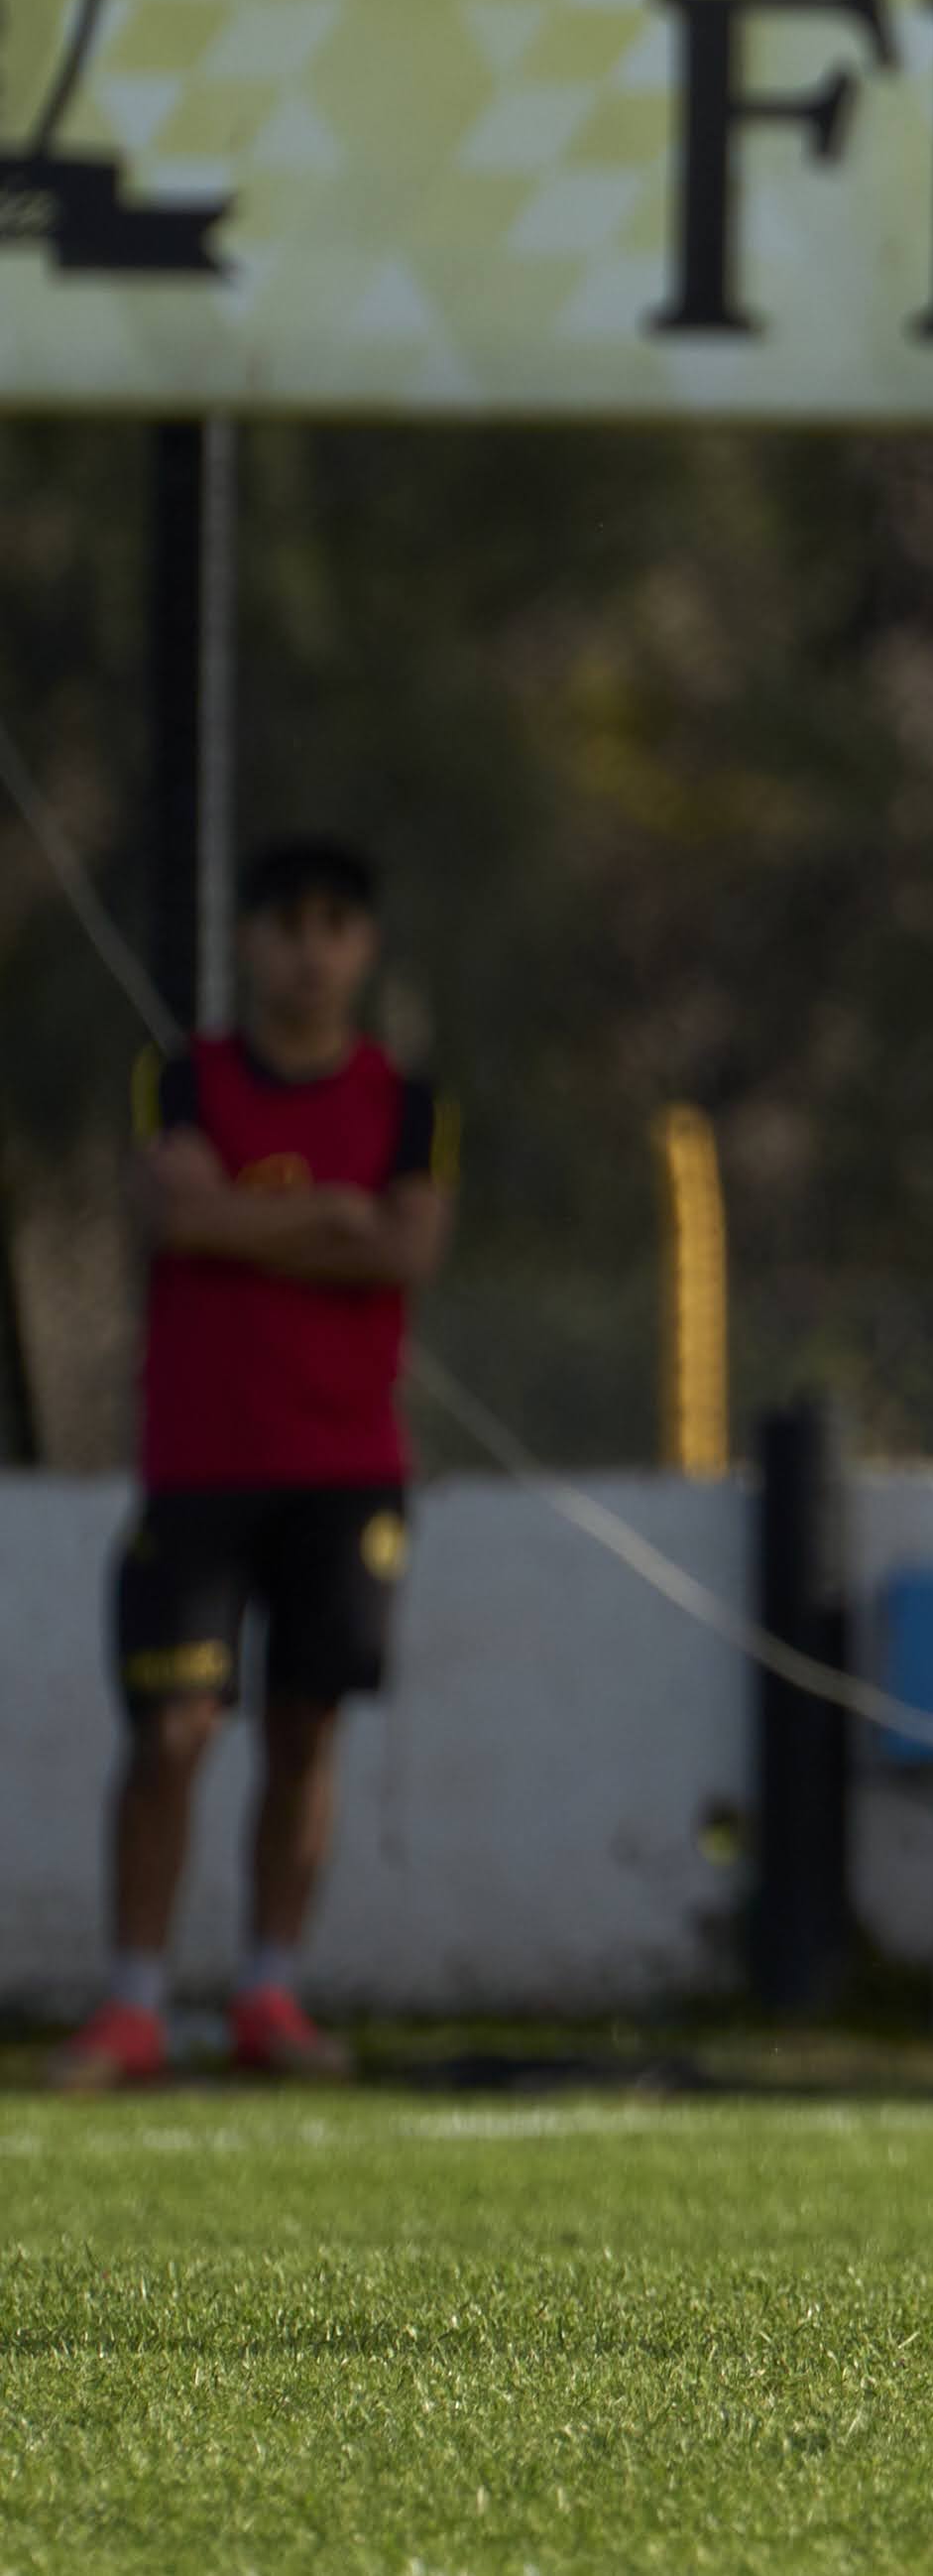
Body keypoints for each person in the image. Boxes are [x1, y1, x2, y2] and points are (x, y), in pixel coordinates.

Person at [54, 840, 459, 2092]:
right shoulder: (182, 1080)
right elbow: (181, 1214)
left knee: (305, 1725)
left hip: (345, 1466)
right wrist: (329, 1214)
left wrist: (260, 1218)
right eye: (288, 924)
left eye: (335, 924)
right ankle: (131, 2004)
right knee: (172, 1728)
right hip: (200, 1461)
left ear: (364, 948)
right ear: (250, 942)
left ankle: (267, 1992)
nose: (308, 948)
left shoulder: (407, 1104)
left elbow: (405, 1250)